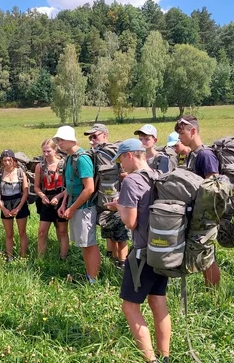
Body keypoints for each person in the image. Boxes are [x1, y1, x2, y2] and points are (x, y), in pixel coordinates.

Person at [106, 139, 170, 363]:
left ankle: (150, 360)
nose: (121, 165)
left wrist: (119, 207)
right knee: (158, 301)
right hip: (163, 250)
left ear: (130, 155)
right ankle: (165, 356)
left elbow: (131, 223)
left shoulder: (132, 180)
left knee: (130, 306)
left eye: (121, 159)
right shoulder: (157, 175)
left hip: (143, 253)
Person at [175, 115, 221, 287]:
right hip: (195, 212)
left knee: (207, 256)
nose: (179, 136)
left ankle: (215, 294)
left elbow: (214, 187)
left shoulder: (205, 155)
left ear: (193, 131)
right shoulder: (192, 154)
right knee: (202, 254)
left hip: (205, 214)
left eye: (182, 132)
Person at [55, 126, 101, 283]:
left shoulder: (82, 159)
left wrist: (72, 208)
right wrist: (64, 204)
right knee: (84, 244)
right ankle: (90, 275)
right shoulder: (70, 158)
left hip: (84, 207)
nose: (59, 143)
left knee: (89, 244)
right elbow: (70, 184)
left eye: (61, 139)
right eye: (57, 140)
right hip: (75, 205)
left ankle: (93, 279)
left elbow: (89, 189)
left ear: (71, 140)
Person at [84, 123, 129, 267]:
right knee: (109, 234)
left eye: (95, 136)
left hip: (118, 201)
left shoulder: (114, 152)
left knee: (121, 236)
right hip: (102, 202)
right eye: (90, 137)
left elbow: (126, 174)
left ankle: (122, 265)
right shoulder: (92, 154)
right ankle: (112, 261)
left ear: (105, 135)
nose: (92, 140)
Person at [33, 139, 70, 259]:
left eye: (48, 151)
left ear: (55, 150)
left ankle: (63, 257)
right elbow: (36, 187)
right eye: (43, 151)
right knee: (42, 232)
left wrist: (58, 197)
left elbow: (70, 186)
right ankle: (40, 258)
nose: (46, 154)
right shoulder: (40, 166)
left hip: (61, 198)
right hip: (46, 199)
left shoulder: (64, 164)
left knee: (62, 231)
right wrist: (42, 196)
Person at [0, 149, 30, 261]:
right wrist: (2, 208)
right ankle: (10, 257)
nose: (7, 162)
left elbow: (25, 191)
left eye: (9, 160)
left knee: (22, 232)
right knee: (9, 233)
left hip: (19, 202)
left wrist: (18, 208)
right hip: (5, 203)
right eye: (4, 160)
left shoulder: (20, 172)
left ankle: (22, 256)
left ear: (13, 160)